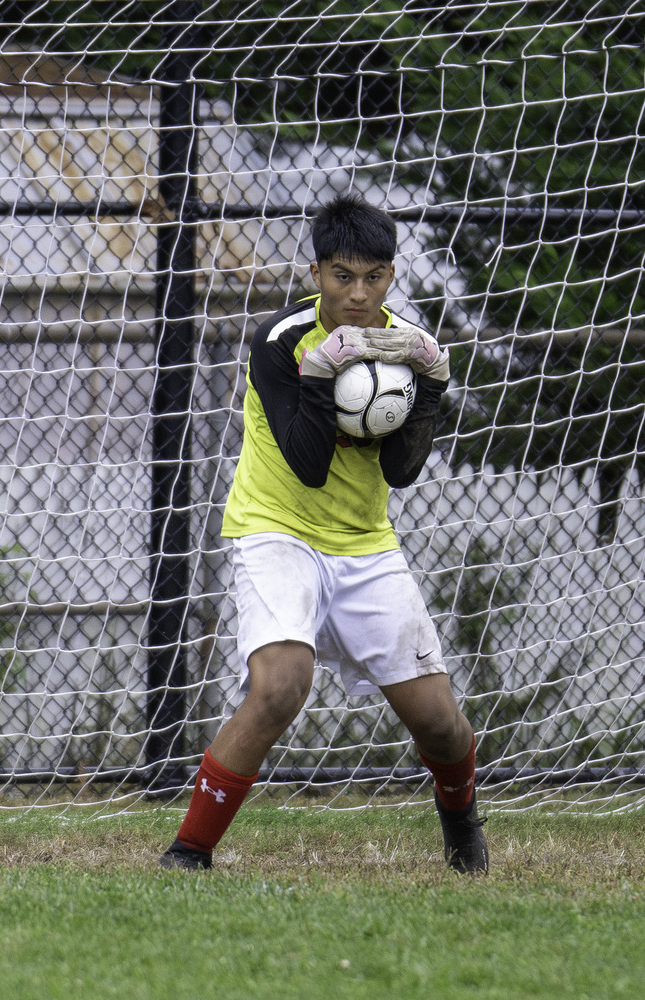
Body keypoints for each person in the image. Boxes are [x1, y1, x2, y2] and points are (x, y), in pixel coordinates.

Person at [157, 194, 487, 873]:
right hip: (276, 530)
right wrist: (321, 372)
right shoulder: (281, 343)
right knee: (281, 685)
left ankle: (462, 833)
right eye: (343, 276)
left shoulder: (403, 346)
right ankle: (188, 853)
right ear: (316, 273)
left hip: (364, 543)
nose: (358, 294)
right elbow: (307, 467)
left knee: (440, 723)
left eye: (374, 278)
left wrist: (430, 390)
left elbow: (399, 472)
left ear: (391, 277)